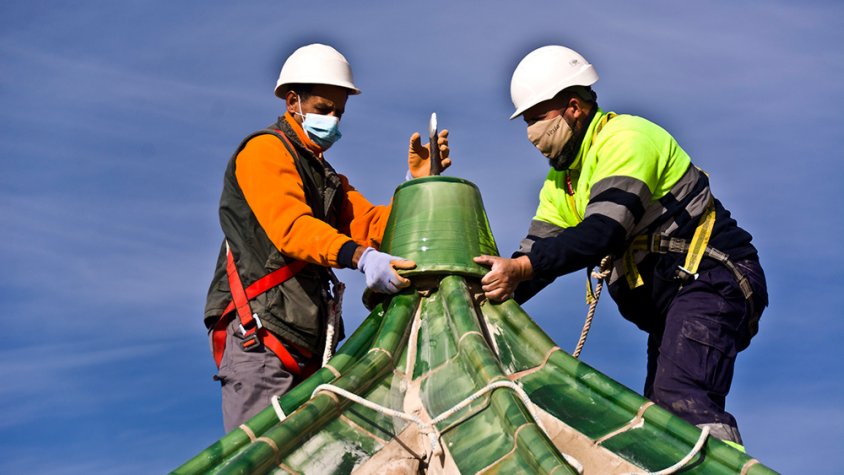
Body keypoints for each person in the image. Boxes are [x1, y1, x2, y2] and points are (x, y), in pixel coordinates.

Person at [474, 45, 767, 449]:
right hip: (675, 302)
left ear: (573, 107)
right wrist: (478, 298)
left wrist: (520, 270)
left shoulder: (626, 139)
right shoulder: (563, 184)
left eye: (536, 119)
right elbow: (531, 258)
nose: (531, 134)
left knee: (682, 406)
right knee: (660, 426)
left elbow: (602, 233)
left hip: (713, 282)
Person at [204, 43, 451, 432]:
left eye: (339, 111)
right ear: (292, 102)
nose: (333, 120)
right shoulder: (264, 152)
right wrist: (362, 258)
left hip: (309, 347)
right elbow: (292, 228)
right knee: (263, 462)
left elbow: (372, 224)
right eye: (323, 109)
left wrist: (417, 187)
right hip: (263, 342)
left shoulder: (325, 176)